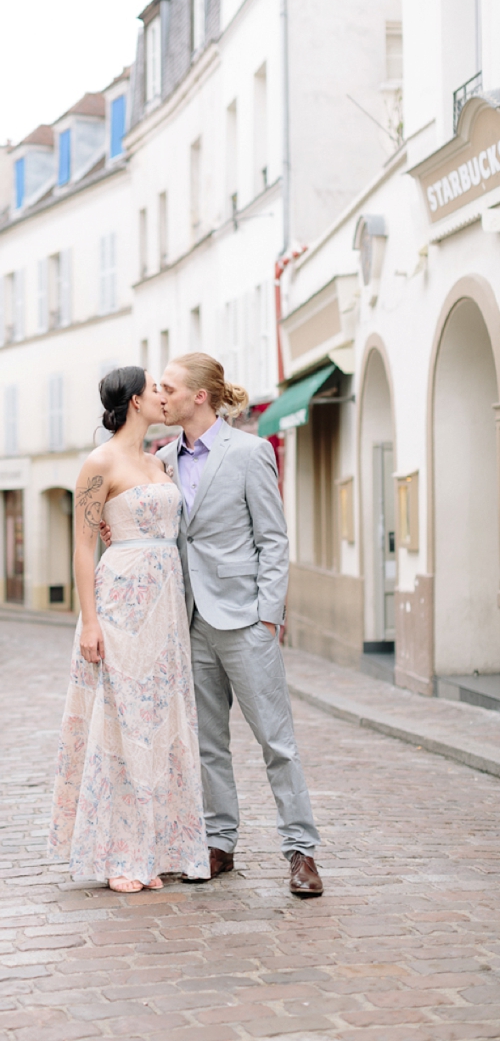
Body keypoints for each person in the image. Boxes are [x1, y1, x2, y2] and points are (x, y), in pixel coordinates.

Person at [102, 353, 323, 897]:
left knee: (276, 740)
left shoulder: (249, 453)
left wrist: (269, 615)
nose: (161, 396)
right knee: (207, 743)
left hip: (246, 619)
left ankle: (301, 851)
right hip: (189, 619)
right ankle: (219, 842)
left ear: (198, 396)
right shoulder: (163, 459)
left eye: (170, 388)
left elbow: (273, 539)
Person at [48, 365, 210, 893]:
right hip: (118, 603)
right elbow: (81, 545)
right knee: (119, 722)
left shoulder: (159, 460)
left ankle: (150, 847)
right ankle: (117, 855)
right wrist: (90, 621)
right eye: (157, 390)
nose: (165, 397)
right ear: (137, 401)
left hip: (165, 608)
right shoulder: (99, 463)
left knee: (159, 724)